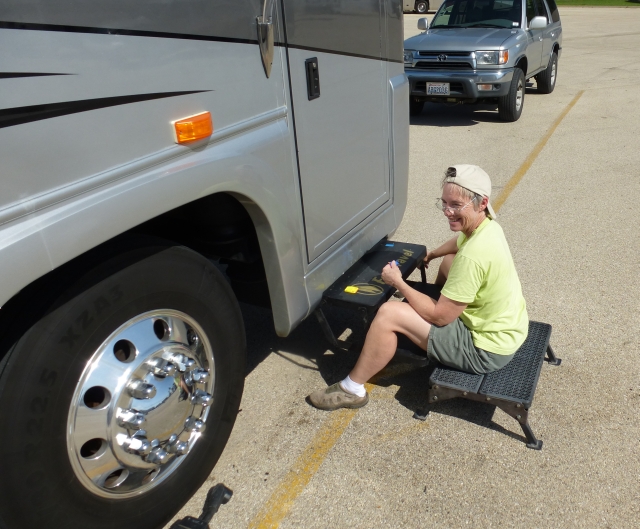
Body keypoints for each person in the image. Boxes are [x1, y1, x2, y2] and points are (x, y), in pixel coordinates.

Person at [308, 164, 529, 411]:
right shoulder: (487, 227)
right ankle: (423, 327)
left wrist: (398, 282)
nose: (447, 211)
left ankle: (352, 389)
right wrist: (433, 254)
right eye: (444, 203)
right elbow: (459, 242)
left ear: (482, 202)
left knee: (388, 313)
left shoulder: (473, 257)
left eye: (456, 205)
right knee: (449, 261)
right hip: (508, 329)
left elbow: (440, 316)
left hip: (485, 350)